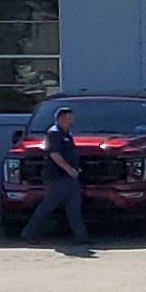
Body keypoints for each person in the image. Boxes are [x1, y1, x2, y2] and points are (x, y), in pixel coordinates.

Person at [21, 106, 91, 247]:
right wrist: (69, 169)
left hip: (70, 177)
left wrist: (75, 169)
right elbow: (54, 154)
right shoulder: (54, 133)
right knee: (48, 206)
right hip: (57, 178)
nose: (71, 121)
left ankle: (82, 238)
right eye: (68, 119)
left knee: (74, 208)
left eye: (72, 118)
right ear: (60, 119)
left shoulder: (67, 134)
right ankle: (28, 232)